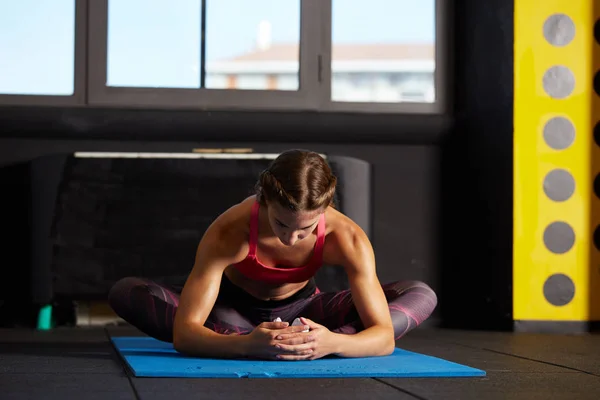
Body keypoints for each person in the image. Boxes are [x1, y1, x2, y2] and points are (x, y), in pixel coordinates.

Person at [108, 149, 437, 361]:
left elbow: (383, 337)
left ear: (325, 209)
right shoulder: (229, 231)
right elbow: (185, 334)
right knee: (127, 292)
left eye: (305, 230)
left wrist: (331, 344)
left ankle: (305, 342)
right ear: (263, 200)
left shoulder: (347, 237)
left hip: (307, 313)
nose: (291, 238)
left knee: (420, 294)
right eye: (281, 223)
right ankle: (259, 341)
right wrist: (247, 345)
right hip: (228, 315)